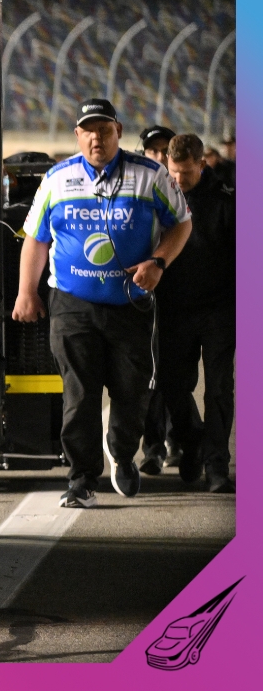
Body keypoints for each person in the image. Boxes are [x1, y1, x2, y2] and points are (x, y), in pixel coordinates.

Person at [12, 99, 192, 508]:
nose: (97, 138)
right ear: (77, 135)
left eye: (105, 130)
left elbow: (182, 222)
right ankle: (81, 478)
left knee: (132, 394)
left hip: (131, 304)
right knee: (79, 394)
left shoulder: (150, 175)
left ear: (119, 131)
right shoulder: (57, 179)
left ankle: (123, 451)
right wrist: (27, 291)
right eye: (88, 130)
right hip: (72, 304)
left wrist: (159, 262)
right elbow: (36, 239)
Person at [158, 134, 236, 493]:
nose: (178, 180)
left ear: (202, 165)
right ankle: (194, 442)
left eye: (186, 174)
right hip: (174, 309)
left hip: (218, 310)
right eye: (173, 172)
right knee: (173, 387)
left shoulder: (226, 201)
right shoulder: (160, 197)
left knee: (218, 390)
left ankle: (216, 466)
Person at [135, 124, 196, 474]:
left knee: (175, 375)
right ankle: (154, 446)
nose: (158, 157)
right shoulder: (135, 189)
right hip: (149, 294)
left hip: (186, 299)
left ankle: (182, 440)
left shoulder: (184, 191)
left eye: (164, 151)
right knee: (151, 373)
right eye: (152, 151)